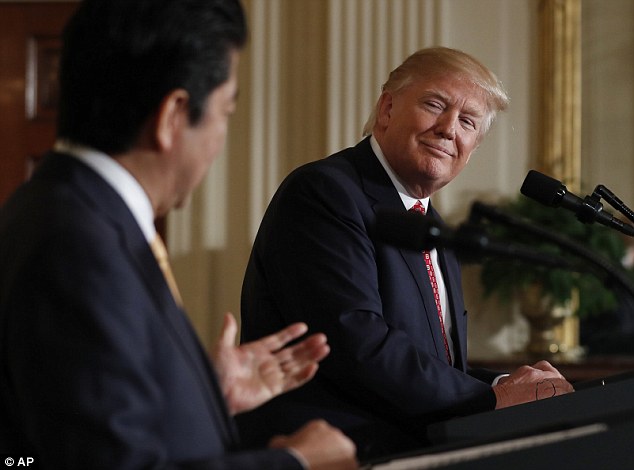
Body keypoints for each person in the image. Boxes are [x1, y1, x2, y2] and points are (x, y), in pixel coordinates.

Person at [0, 0, 358, 469]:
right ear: (174, 114)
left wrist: (199, 394)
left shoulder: (63, 208)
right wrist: (297, 464)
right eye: (226, 112)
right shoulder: (78, 247)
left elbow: (83, 416)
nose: (221, 138)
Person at [239, 47, 575, 460]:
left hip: (409, 451)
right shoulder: (326, 193)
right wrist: (495, 399)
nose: (449, 129)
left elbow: (436, 366)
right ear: (387, 108)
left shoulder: (432, 226)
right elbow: (357, 343)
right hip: (329, 454)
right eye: (435, 105)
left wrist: (504, 385)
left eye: (467, 122)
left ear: (472, 148)